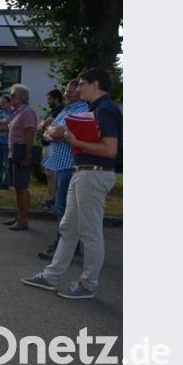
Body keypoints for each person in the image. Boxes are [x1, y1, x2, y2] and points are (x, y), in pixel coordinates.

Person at [22, 68, 122, 299]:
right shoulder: (95, 109)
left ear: (95, 84)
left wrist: (75, 140)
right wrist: (69, 135)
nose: (78, 89)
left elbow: (110, 150)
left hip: (94, 174)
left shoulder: (105, 110)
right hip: (84, 173)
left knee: (90, 231)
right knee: (68, 227)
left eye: (82, 84)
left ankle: (88, 284)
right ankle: (51, 276)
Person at [37, 80, 90, 260]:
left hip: (69, 166)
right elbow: (47, 131)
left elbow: (57, 132)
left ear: (79, 92)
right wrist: (52, 132)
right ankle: (70, 245)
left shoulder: (81, 109)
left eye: (70, 91)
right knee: (63, 207)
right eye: (66, 91)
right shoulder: (66, 109)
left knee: (63, 207)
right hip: (58, 164)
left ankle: (62, 245)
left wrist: (53, 132)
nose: (66, 94)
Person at [1, 84, 38, 231]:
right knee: (17, 187)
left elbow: (30, 135)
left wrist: (28, 155)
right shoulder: (16, 113)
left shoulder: (27, 112)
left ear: (22, 98)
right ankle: (19, 216)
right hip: (14, 154)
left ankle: (24, 220)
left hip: (22, 154)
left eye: (13, 95)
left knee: (22, 187)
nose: (11, 97)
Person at [38, 89, 65, 209]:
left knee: (51, 174)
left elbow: (46, 123)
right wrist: (43, 124)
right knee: (48, 175)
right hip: (46, 145)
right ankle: (50, 198)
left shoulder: (60, 110)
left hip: (51, 145)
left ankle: (53, 200)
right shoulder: (51, 111)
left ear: (56, 98)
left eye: (49, 99)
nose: (47, 101)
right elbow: (40, 125)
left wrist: (44, 124)